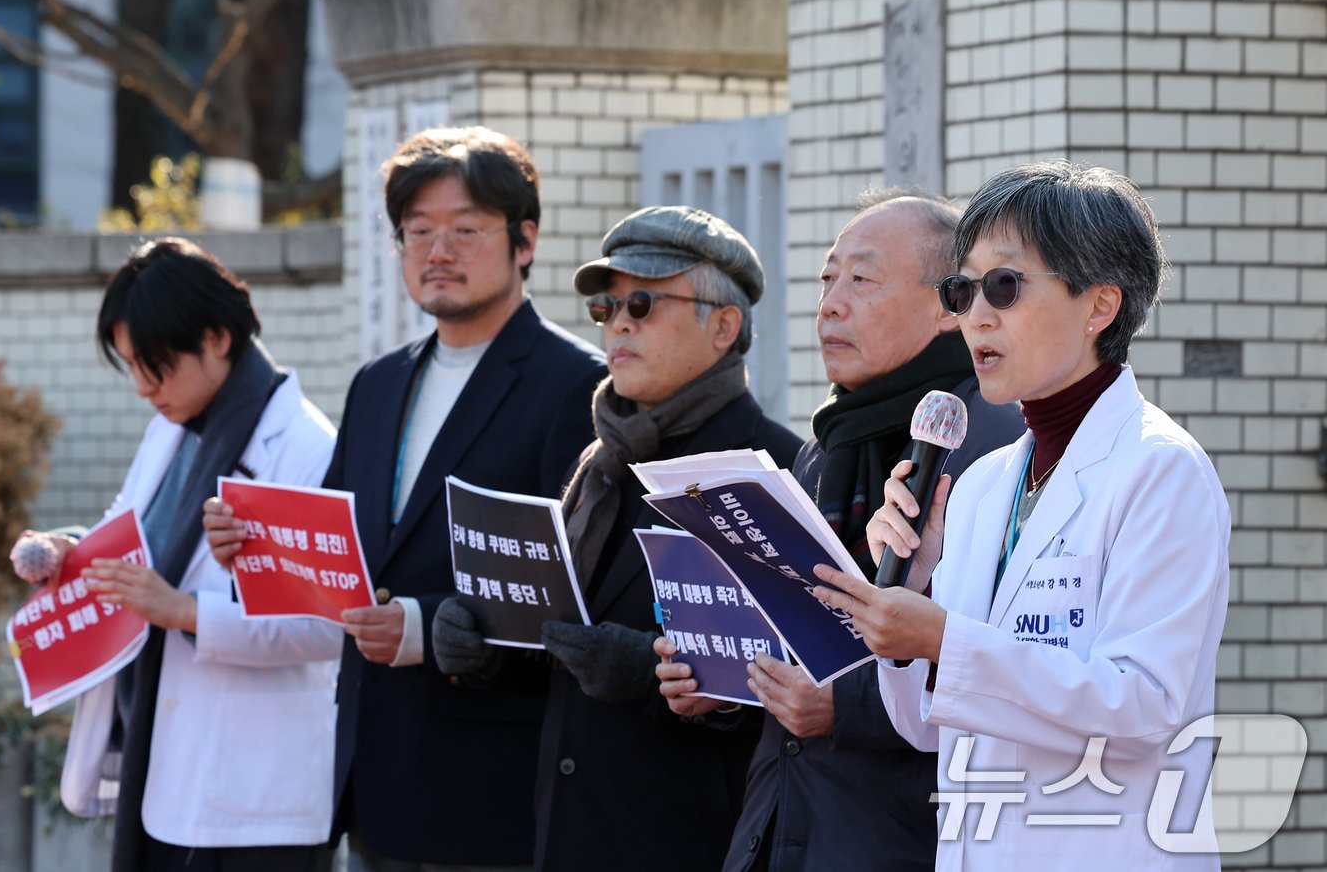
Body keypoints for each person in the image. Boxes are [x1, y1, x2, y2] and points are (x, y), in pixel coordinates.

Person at [206, 126, 605, 871]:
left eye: (464, 229)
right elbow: (345, 553)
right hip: (373, 773)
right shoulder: (377, 382)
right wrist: (252, 546)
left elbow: (573, 587)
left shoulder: (574, 386)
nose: (437, 251)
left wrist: (425, 625)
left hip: (494, 787)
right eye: (416, 232)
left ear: (526, 240)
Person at [817, 161, 1230, 870]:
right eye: (963, 288)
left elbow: (1144, 705)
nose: (975, 313)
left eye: (1004, 286)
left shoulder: (1161, 469)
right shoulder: (981, 484)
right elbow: (922, 725)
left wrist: (945, 637)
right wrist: (908, 605)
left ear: (1099, 305)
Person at [655, 189, 1026, 872]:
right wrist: (724, 679)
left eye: (861, 280)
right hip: (781, 825)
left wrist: (844, 704)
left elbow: (1011, 663)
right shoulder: (827, 443)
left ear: (950, 306)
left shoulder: (992, 448)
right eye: (827, 280)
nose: (830, 304)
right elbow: (793, 630)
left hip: (906, 835)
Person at [431, 205, 802, 871]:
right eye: (607, 307)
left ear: (724, 326)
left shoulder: (774, 468)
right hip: (565, 836)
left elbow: (801, 688)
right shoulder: (599, 464)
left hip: (692, 842)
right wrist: (483, 640)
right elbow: (567, 652)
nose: (619, 322)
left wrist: (653, 672)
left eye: (643, 301)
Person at [13, 237, 340, 872]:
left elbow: (326, 625)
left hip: (260, 803)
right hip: (166, 775)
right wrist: (66, 550)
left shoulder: (305, 446)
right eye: (132, 366)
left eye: (155, 365)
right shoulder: (172, 429)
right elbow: (127, 533)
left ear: (218, 338)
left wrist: (186, 612)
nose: (142, 388)